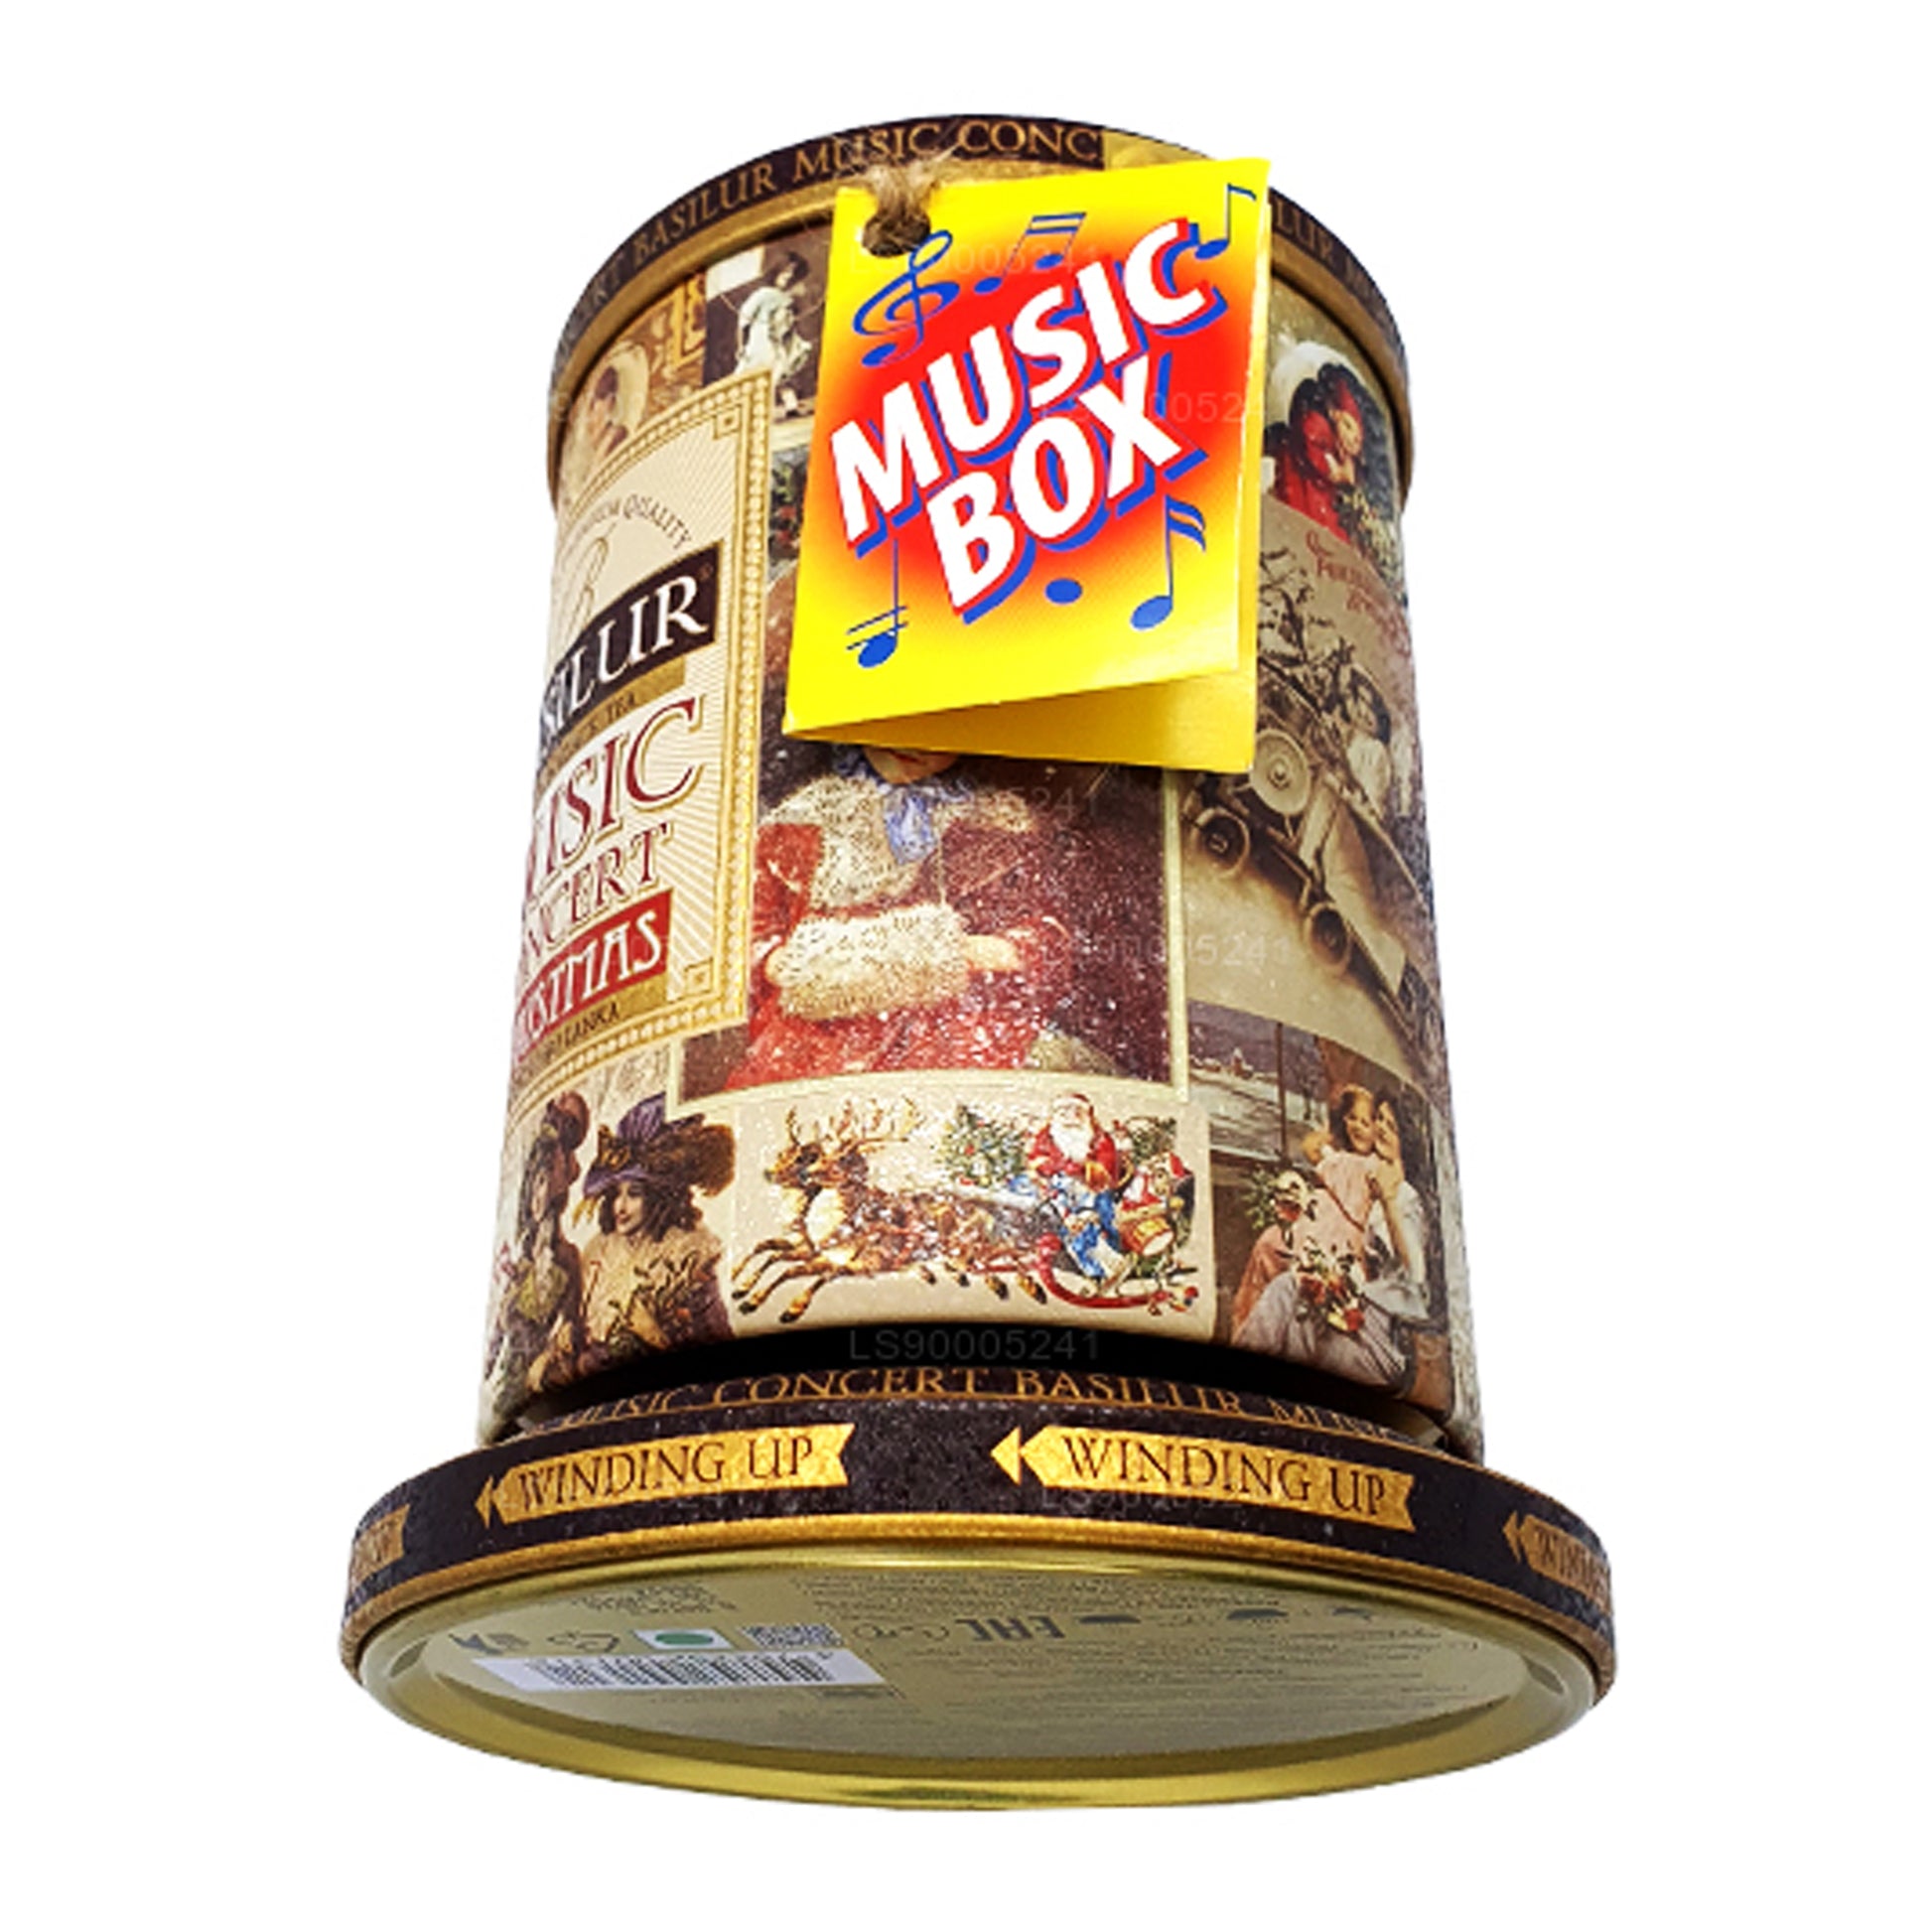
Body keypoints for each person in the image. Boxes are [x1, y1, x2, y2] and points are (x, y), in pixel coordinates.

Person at [728, 746, 1072, 1089]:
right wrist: (824, 967)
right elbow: (748, 946)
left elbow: (1045, 942)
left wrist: (949, 952)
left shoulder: (1001, 830)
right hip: (815, 1046)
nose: (911, 745)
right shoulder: (794, 827)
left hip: (951, 1038)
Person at [576, 1095, 735, 1371]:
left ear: (658, 1199)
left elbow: (718, 1353)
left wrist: (654, 1335)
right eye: (616, 1194)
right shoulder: (598, 1255)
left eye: (634, 1194)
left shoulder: (687, 1258)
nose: (620, 1207)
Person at [485, 1091, 590, 1400]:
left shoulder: (567, 1259)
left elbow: (571, 1328)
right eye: (533, 1182)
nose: (536, 1194)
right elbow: (496, 1341)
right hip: (508, 1396)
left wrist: (548, 1357)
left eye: (544, 1181)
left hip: (538, 1387)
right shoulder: (521, 1258)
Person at [735, 250, 813, 418]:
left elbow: (787, 322)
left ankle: (791, 406)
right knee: (765, 375)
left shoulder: (787, 298)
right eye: (786, 271)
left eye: (792, 273)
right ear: (777, 270)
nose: (788, 276)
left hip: (779, 342)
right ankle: (754, 412)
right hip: (761, 343)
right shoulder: (763, 294)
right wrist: (741, 345)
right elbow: (744, 319)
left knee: (782, 374)